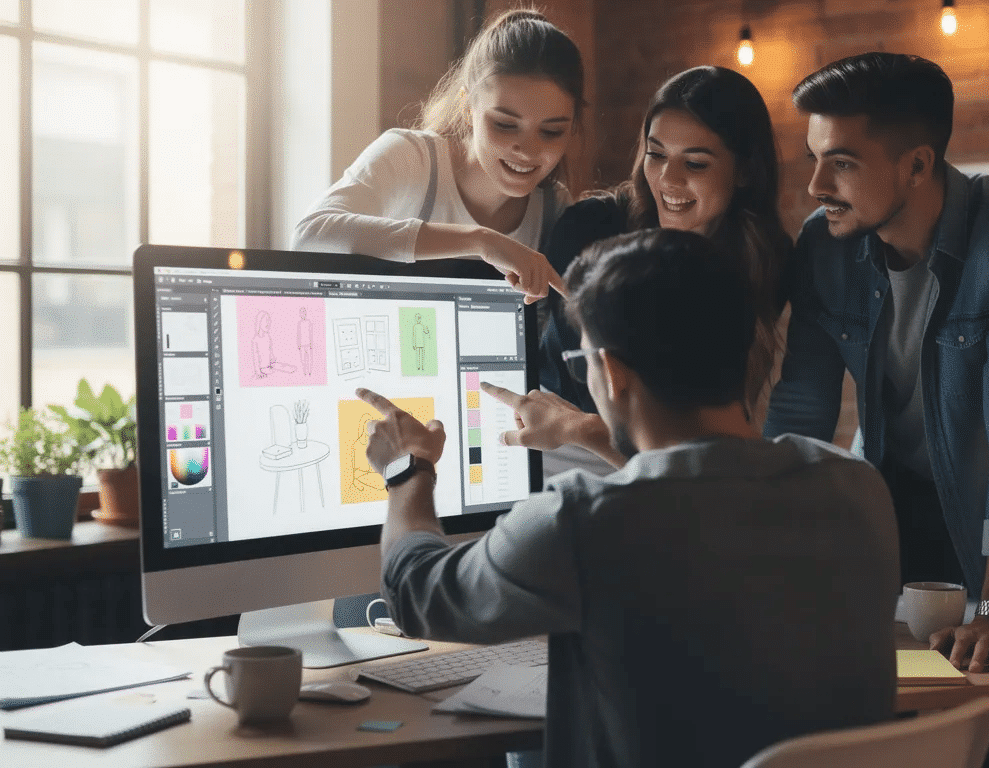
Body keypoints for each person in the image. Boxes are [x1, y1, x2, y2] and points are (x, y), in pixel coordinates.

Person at [361, 229, 900, 768]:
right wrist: (589, 431)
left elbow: (414, 594)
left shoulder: (583, 522)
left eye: (585, 364)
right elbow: (701, 492)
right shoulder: (856, 488)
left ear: (612, 373)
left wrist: (410, 466)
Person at [763, 53, 989, 768]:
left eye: (839, 163)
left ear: (915, 164)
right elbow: (802, 402)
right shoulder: (825, 242)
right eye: (814, 160)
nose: (815, 187)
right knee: (875, 703)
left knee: (980, 710)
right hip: (892, 494)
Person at [538, 65, 791, 421]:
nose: (668, 180)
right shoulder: (588, 230)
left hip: (677, 447)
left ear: (746, 171)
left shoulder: (764, 257)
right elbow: (596, 397)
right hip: (563, 435)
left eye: (695, 163)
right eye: (656, 155)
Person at [293, 9, 582, 304]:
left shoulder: (552, 208)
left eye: (551, 132)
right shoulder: (411, 158)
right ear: (468, 108)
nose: (528, 150)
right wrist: (481, 241)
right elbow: (310, 236)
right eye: (505, 125)